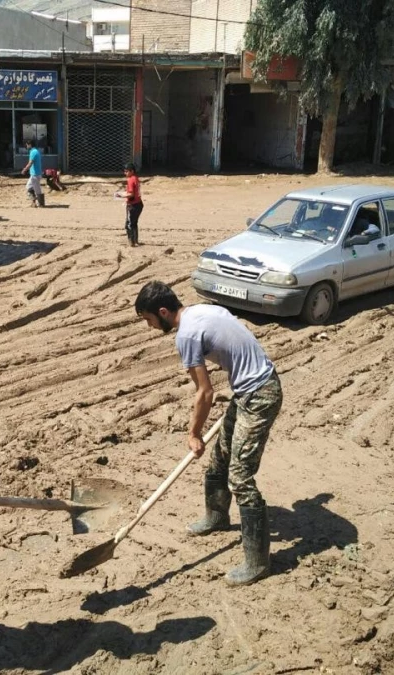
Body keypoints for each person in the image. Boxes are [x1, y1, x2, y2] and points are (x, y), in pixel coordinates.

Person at [135, 281, 283, 586]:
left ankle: (258, 562)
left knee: (240, 477)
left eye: (150, 320)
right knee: (220, 459)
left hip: (260, 395)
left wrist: (193, 433)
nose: (151, 327)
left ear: (163, 312)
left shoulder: (186, 335)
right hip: (248, 387)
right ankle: (217, 516)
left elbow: (205, 393)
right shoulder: (200, 310)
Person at [121, 162, 143, 247]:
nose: (125, 173)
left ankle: (132, 242)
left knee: (128, 224)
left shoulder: (130, 180)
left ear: (132, 171)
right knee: (134, 223)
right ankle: (135, 241)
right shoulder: (136, 178)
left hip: (133, 205)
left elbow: (131, 194)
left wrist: (121, 195)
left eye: (126, 171)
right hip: (139, 204)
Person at [21, 139, 44, 207]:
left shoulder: (33, 152)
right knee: (29, 187)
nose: (26, 146)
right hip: (36, 173)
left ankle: (41, 203)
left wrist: (24, 169)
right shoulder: (36, 151)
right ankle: (34, 203)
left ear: (30, 144)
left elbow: (30, 163)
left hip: (35, 174)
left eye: (27, 145)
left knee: (37, 190)